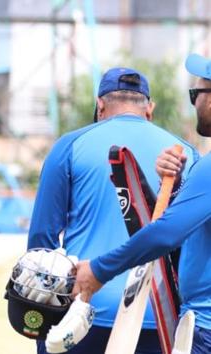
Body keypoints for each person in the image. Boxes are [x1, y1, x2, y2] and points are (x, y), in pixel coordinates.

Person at [28, 66, 198, 354]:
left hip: (82, 311)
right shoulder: (185, 153)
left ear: (101, 106)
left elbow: (40, 245)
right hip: (159, 315)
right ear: (149, 109)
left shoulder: (69, 146)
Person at [73, 54, 211, 354]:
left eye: (195, 94)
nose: (195, 104)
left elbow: (166, 234)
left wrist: (98, 270)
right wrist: (172, 188)